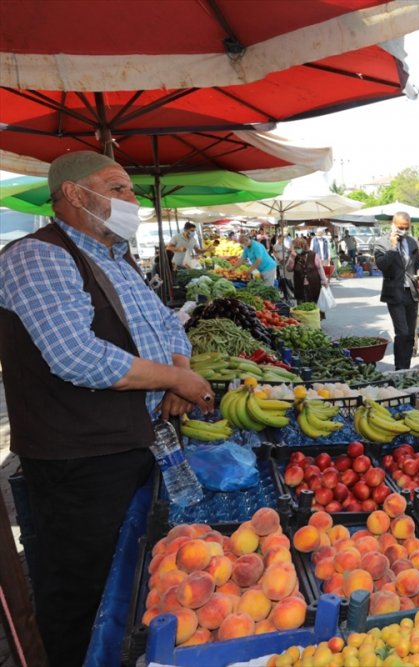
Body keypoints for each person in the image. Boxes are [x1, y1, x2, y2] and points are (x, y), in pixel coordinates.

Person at [0, 151, 215, 667]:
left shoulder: (115, 258)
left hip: (133, 443)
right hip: (79, 461)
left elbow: (165, 324)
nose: (132, 201)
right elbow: (78, 357)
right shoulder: (38, 256)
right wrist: (176, 377)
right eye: (117, 188)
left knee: (132, 575)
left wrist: (177, 376)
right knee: (83, 591)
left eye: (132, 191)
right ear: (74, 195)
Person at [374, 212, 419, 370]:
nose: (403, 230)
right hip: (394, 293)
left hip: (411, 293)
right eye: (400, 227)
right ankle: (399, 369)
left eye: (406, 228)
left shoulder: (412, 242)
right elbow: (382, 265)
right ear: (393, 225)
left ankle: (405, 367)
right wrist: (393, 247)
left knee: (409, 335)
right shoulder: (382, 243)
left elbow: (418, 263)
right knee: (402, 333)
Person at [285, 236, 328, 304]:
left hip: (314, 286)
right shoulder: (294, 256)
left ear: (303, 247)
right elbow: (289, 269)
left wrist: (324, 281)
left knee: (314, 305)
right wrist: (292, 257)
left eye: (298, 248)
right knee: (302, 306)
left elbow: (320, 268)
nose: (296, 249)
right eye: (295, 248)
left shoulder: (313, 255)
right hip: (299, 286)